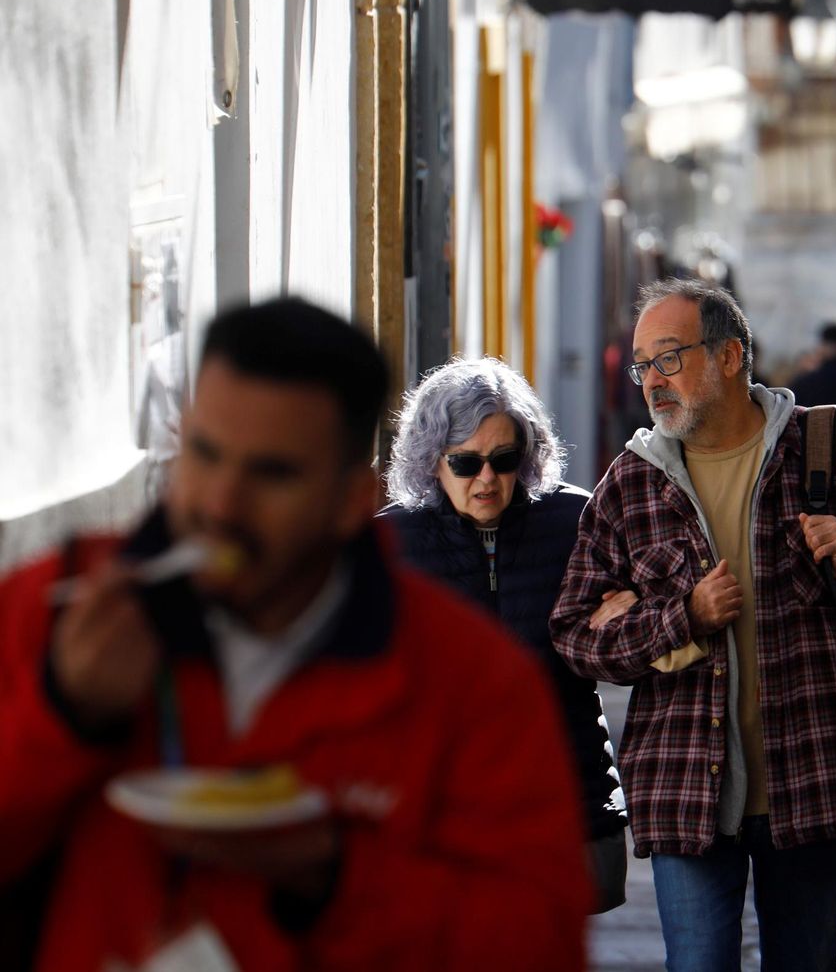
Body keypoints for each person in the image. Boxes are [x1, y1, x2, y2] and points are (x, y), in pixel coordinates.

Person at [0, 298, 588, 971]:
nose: (219, 503)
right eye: (204, 453)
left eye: (272, 473)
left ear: (351, 502)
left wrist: (333, 875)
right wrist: (61, 715)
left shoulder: (469, 679)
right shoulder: (60, 606)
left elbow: (537, 941)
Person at [550, 279, 836, 971]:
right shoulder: (631, 481)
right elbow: (573, 633)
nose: (652, 381)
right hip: (686, 790)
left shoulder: (834, 447)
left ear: (730, 356)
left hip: (815, 778)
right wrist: (678, 619)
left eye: (669, 358)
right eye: (642, 365)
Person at [378, 357, 628, 913]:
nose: (486, 479)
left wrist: (625, 614)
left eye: (504, 459)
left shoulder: (575, 521)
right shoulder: (390, 544)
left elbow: (626, 639)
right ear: (431, 461)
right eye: (465, 463)